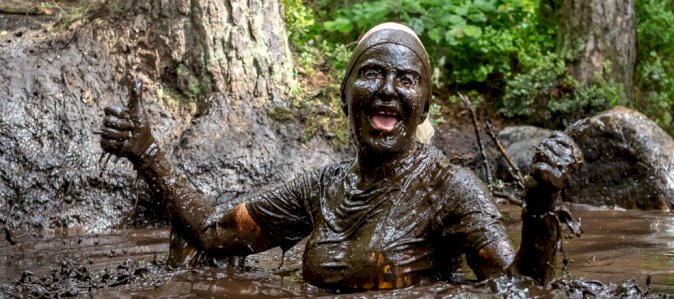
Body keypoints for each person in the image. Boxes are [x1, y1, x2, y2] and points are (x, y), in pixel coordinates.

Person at [99, 22, 583, 291]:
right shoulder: (321, 187)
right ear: (346, 96)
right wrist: (148, 152)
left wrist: (539, 209)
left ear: (425, 107)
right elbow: (213, 233)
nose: (388, 91)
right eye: (372, 74)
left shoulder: (450, 189)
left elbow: (524, 289)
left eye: (406, 80)